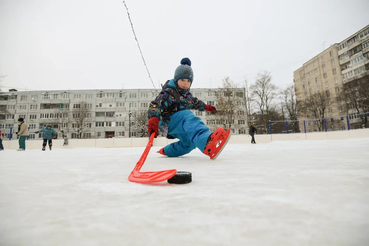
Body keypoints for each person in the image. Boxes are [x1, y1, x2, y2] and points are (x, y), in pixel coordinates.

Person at [147, 58, 231, 160]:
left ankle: (167, 151)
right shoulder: (169, 92)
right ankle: (207, 142)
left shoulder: (187, 96)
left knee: (190, 142)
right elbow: (155, 104)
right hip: (167, 122)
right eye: (182, 80)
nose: (185, 83)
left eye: (188, 81)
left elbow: (196, 103)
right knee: (187, 115)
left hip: (177, 126)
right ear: (176, 79)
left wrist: (207, 107)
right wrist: (153, 119)